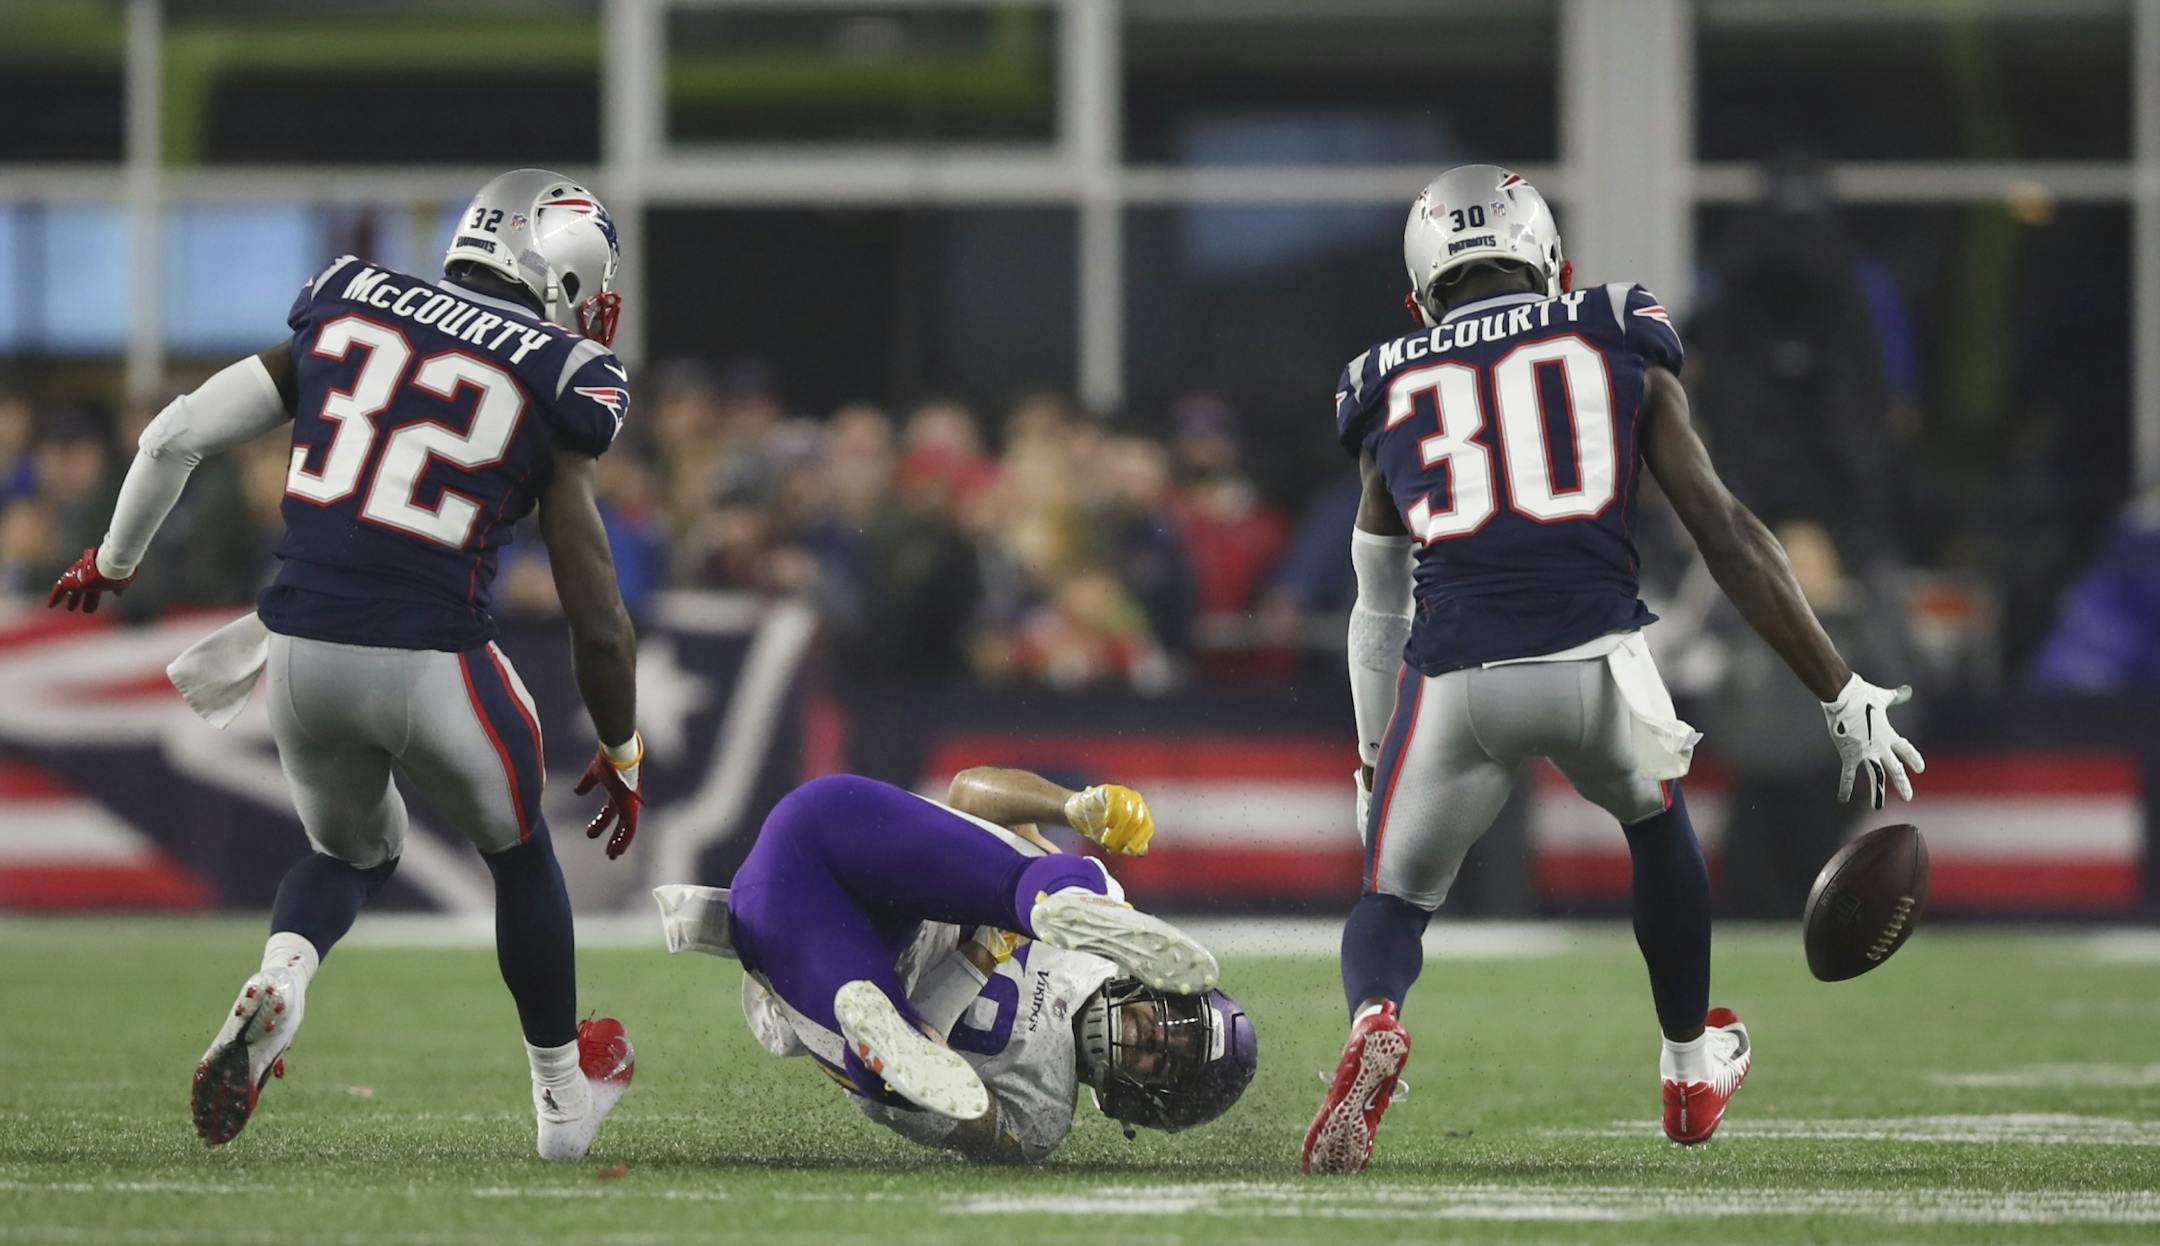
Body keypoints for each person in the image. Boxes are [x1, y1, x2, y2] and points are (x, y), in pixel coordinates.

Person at [1305, 165, 1926, 1173]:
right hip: (1596, 658)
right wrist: (1838, 685)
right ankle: (1687, 1067)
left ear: (1420, 293)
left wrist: (1377, 757)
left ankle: (1375, 1014)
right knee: (1654, 822)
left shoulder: (1384, 381)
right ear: (1552, 261)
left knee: (1393, 898)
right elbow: (1724, 528)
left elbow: (1377, 606)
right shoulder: (1614, 329)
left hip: (1457, 677)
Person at [48, 169, 649, 1159]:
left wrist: (111, 562)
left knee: (351, 854)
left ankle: (284, 973)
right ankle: (560, 1099)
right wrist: (622, 747)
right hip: (434, 657)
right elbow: (599, 619)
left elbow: (172, 435)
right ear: (565, 271)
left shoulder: (350, 295)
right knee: (520, 856)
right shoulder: (559, 372)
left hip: (297, 654)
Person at [654, 769, 1257, 1162]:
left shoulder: (1040, 1118)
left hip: (801, 925)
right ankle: (1054, 899)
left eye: (1164, 1060)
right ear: (1161, 987)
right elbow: (969, 793)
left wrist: (977, 960)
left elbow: (935, 1104)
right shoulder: (1104, 946)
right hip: (860, 846)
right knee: (1080, 882)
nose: (1153, 1036)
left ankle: (892, 1032)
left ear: (1143, 1103)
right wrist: (1070, 806)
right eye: (1173, 1023)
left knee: (888, 1068)